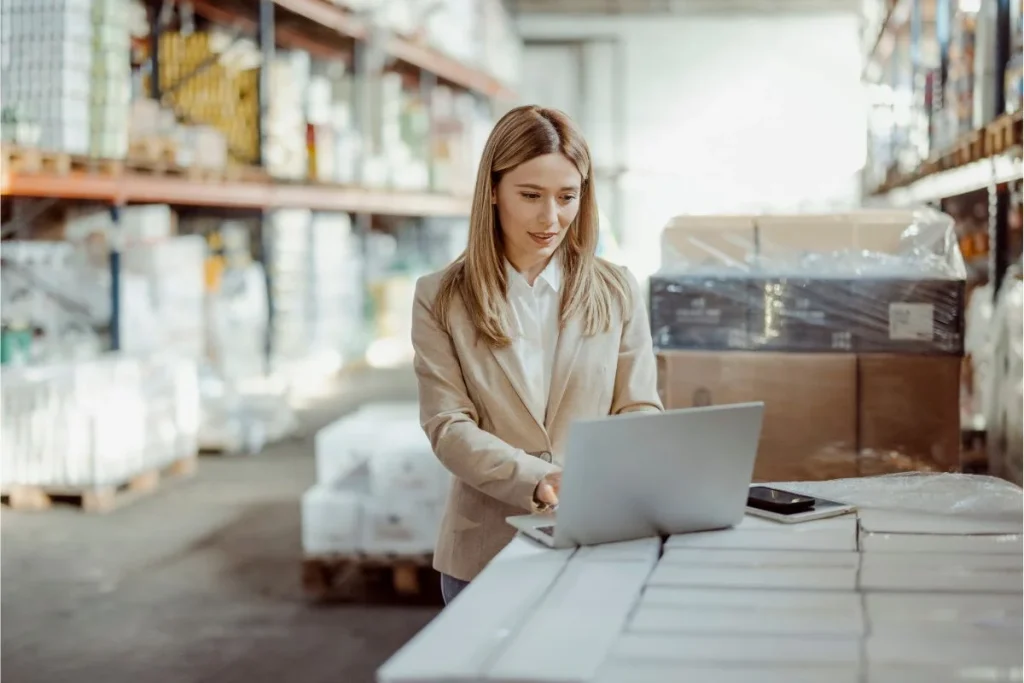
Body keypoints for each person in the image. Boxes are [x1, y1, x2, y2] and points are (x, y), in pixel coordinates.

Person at [411, 105, 663, 605]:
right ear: (493, 191)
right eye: (530, 196)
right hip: (483, 553)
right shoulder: (440, 297)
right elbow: (448, 426)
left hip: (597, 543)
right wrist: (541, 478)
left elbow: (639, 409)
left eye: (567, 197)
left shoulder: (616, 290)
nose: (552, 219)